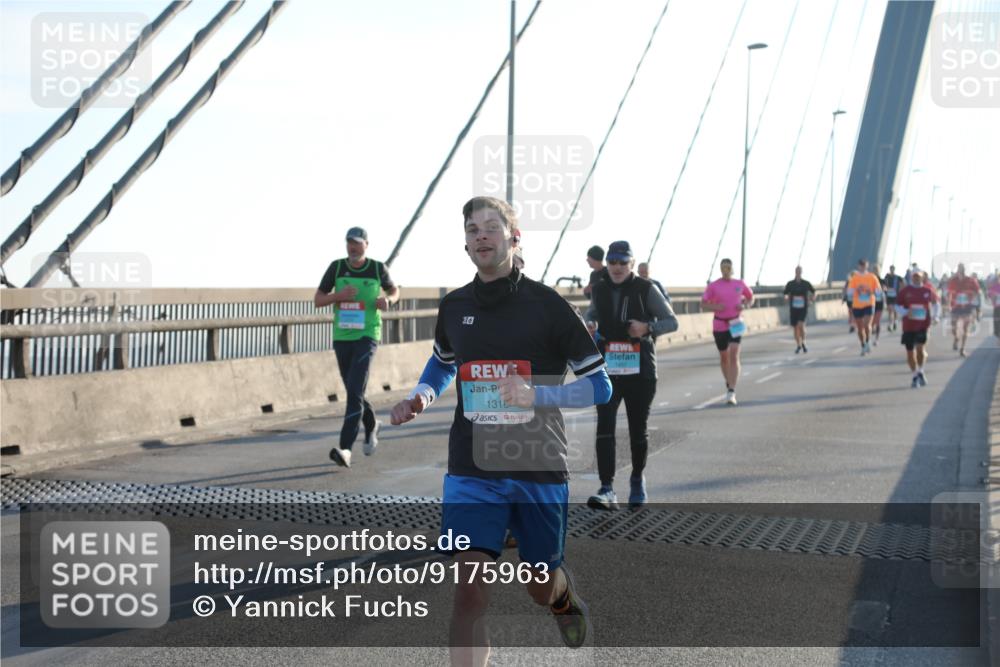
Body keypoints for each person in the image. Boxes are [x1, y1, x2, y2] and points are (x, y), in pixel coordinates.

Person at [389, 196, 612, 661]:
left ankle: (563, 599)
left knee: (538, 585)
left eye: (492, 227)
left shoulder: (549, 306)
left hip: (536, 464)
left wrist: (539, 395)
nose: (482, 235)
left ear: (514, 236)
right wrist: (421, 396)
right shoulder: (454, 306)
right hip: (472, 466)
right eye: (473, 229)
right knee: (468, 593)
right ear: (466, 244)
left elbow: (600, 388)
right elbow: (443, 362)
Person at [585, 241, 678, 510]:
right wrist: (590, 326)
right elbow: (591, 316)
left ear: (632, 264)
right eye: (612, 261)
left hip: (641, 370)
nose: (616, 267)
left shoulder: (646, 289)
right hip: (608, 368)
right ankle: (607, 488)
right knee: (604, 427)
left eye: (622, 262)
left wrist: (647, 328)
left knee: (638, 430)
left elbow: (672, 322)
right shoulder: (600, 288)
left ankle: (637, 479)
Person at [315, 227, 399, 467]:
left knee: (353, 393)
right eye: (349, 243)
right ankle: (372, 424)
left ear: (366, 245)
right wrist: (337, 296)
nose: (352, 247)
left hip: (367, 335)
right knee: (355, 391)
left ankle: (345, 449)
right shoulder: (337, 267)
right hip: (342, 336)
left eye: (357, 243)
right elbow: (318, 299)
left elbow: (394, 291)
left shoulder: (376, 268)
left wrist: (388, 300)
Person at [702, 258, 754, 406]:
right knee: (724, 356)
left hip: (736, 322)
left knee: (734, 353)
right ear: (720, 269)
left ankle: (731, 390)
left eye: (728, 267)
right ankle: (728, 381)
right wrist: (716, 307)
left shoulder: (739, 283)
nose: (725, 270)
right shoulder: (713, 286)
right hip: (719, 323)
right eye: (723, 267)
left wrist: (746, 304)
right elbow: (703, 303)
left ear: (732, 268)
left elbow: (751, 297)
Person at [895, 270, 939, 387]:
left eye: (918, 276)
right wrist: (905, 312)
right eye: (914, 277)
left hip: (923, 325)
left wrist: (936, 316)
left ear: (922, 277)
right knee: (910, 353)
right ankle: (915, 375)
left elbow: (936, 304)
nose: (916, 278)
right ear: (911, 278)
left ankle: (920, 370)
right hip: (908, 326)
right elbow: (897, 305)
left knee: (920, 349)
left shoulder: (927, 291)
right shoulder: (905, 291)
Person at [846, 259, 882, 356]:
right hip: (857, 305)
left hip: (869, 304)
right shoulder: (854, 278)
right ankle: (863, 345)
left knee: (867, 324)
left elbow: (878, 291)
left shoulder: (872, 277)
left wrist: (872, 292)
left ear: (867, 266)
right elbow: (849, 292)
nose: (862, 267)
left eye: (864, 265)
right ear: (858, 266)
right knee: (860, 328)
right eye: (860, 265)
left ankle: (868, 340)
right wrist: (856, 290)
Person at [948, 263, 982, 357]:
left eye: (962, 268)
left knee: (965, 328)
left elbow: (978, 291)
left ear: (964, 269)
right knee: (953, 326)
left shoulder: (971, 280)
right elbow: (949, 293)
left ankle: (962, 349)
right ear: (957, 269)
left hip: (967, 306)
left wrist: (972, 299)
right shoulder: (953, 280)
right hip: (956, 306)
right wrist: (949, 305)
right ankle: (956, 338)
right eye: (959, 268)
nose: (960, 270)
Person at [783, 266, 815, 353]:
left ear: (801, 272)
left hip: (803, 307)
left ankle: (804, 342)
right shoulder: (790, 284)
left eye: (799, 271)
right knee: (795, 327)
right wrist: (786, 297)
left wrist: (811, 300)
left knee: (801, 324)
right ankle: (798, 345)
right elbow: (785, 293)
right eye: (797, 271)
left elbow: (813, 292)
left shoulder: (806, 283)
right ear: (795, 272)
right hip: (793, 308)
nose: (798, 273)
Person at [883, 265, 905, 332]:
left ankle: (895, 321)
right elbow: (884, 285)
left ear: (894, 269)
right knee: (890, 310)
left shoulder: (898, 277)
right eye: (891, 269)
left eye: (893, 269)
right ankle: (890, 324)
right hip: (889, 296)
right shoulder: (887, 277)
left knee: (895, 310)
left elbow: (903, 284)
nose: (891, 270)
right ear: (890, 269)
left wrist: (900, 291)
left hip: (896, 296)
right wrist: (886, 290)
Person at [870, 263, 887, 346]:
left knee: (877, 321)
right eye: (874, 270)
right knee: (871, 322)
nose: (875, 271)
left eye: (876, 270)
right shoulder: (870, 280)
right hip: (871, 303)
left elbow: (885, 289)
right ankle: (868, 339)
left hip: (880, 303)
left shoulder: (882, 280)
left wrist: (883, 289)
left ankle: (876, 339)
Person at [989, 270, 1000, 339]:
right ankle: (998, 335)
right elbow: (991, 296)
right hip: (997, 307)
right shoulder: (994, 287)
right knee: (997, 321)